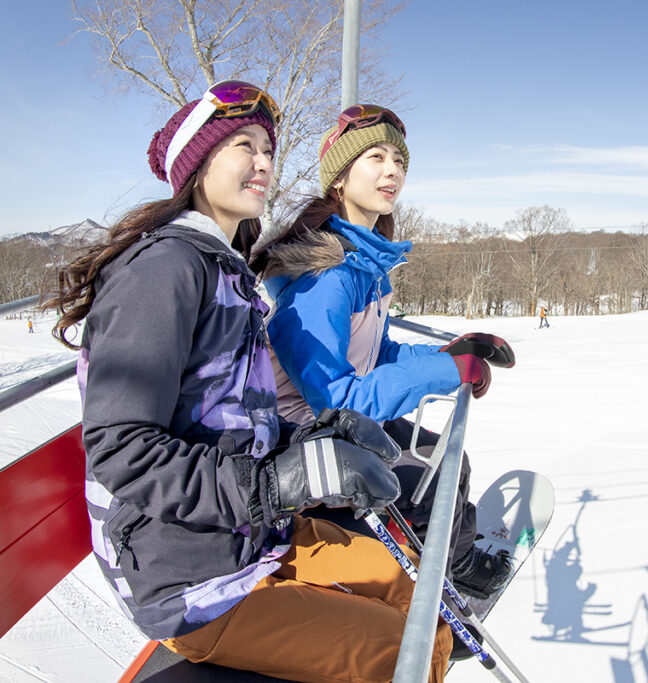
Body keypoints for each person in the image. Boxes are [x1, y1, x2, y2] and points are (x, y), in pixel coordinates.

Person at [43, 82, 450, 682]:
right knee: (401, 651)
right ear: (197, 166)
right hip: (189, 578)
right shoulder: (163, 272)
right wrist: (279, 480)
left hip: (253, 537)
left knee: (425, 595)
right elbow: (121, 449)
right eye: (242, 145)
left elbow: (232, 417)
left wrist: (317, 438)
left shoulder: (224, 272)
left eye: (267, 148)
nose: (263, 162)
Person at [251, 104, 516, 600]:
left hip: (342, 422)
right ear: (340, 178)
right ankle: (434, 583)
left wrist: (449, 361)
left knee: (448, 457)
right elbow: (335, 397)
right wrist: (444, 373)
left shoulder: (362, 262)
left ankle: (450, 561)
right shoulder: (325, 278)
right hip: (304, 436)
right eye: (375, 157)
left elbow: (378, 352)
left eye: (399, 159)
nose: (392, 170)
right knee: (428, 483)